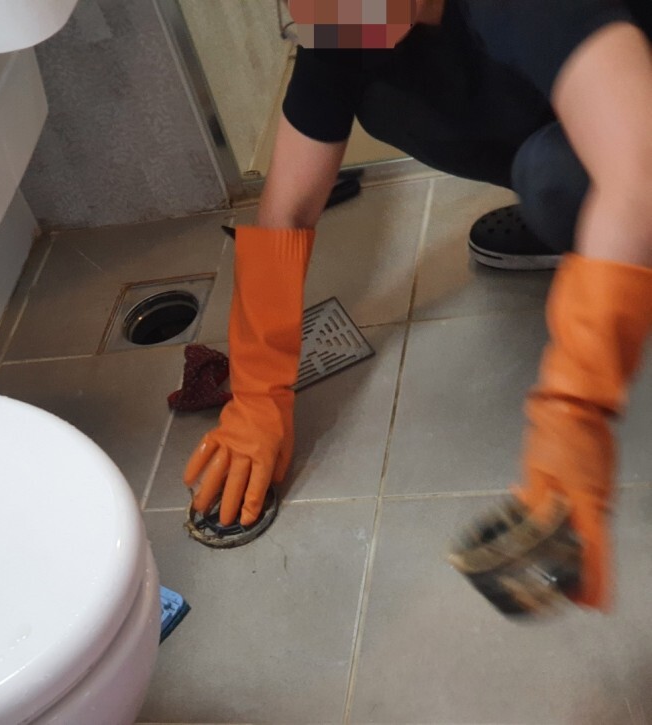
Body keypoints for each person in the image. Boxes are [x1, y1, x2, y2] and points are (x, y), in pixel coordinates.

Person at [182, 0, 652, 615]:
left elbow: (637, 173)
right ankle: (580, 230)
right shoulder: (350, 22)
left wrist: (576, 410)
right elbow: (288, 210)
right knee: (392, 96)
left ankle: (603, 234)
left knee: (560, 176)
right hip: (607, 134)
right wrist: (257, 397)